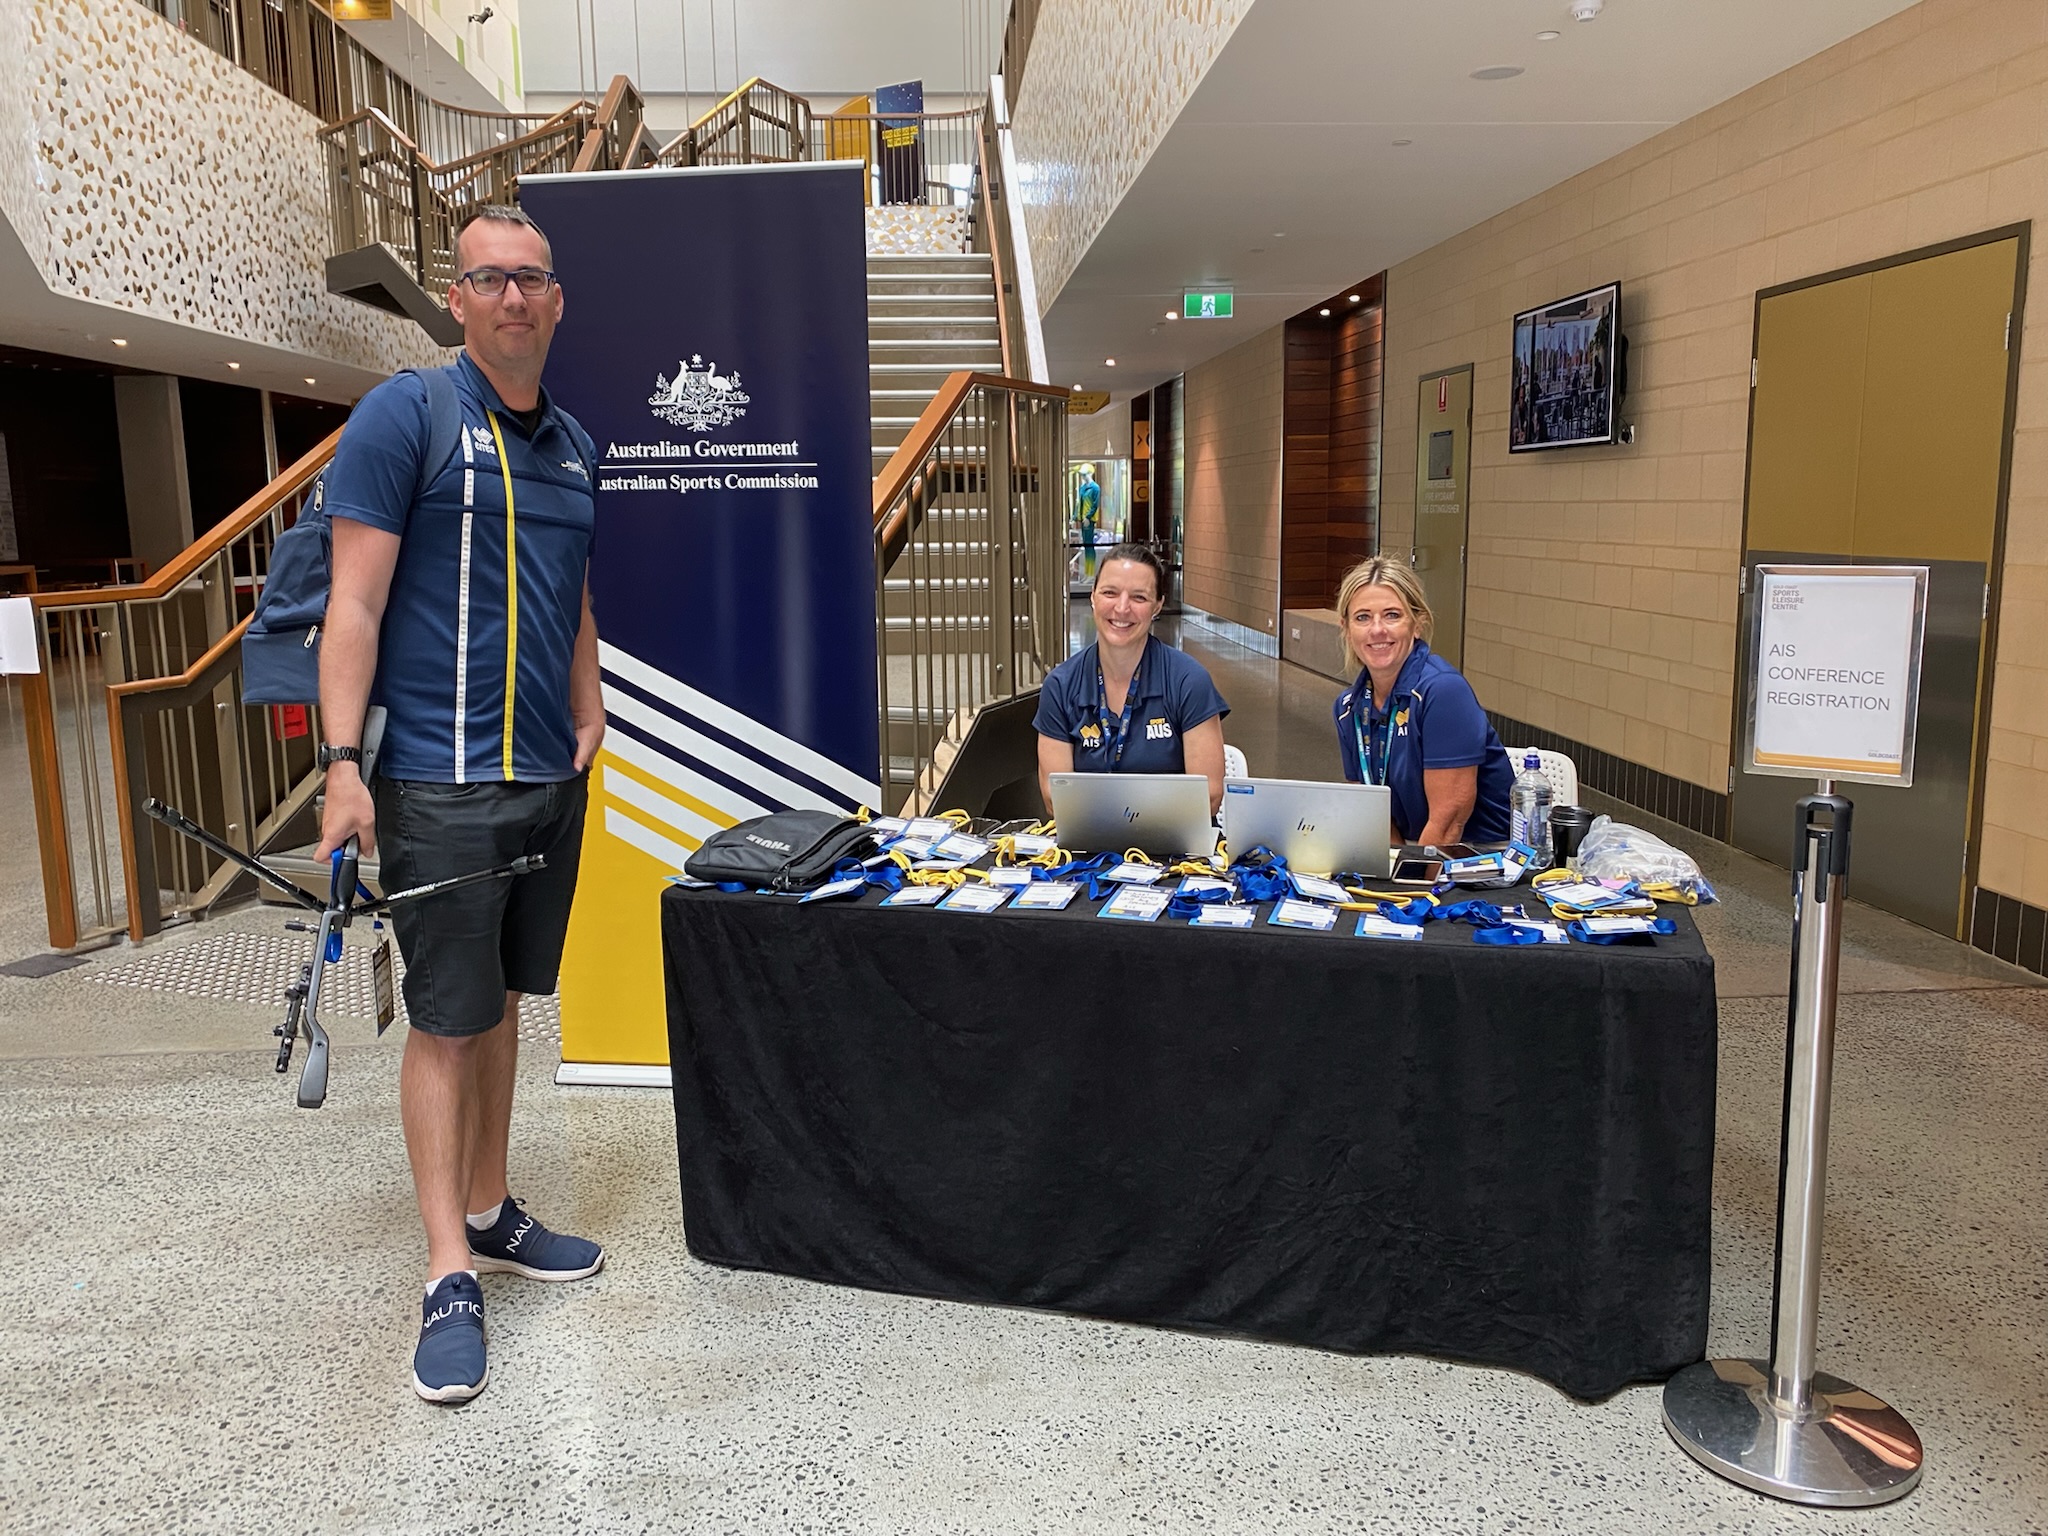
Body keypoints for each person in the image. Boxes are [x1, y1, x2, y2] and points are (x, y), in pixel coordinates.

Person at [315, 203, 605, 1405]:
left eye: (532, 279)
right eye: (491, 280)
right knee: (443, 1019)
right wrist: (342, 764)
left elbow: (573, 598)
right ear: (458, 299)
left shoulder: (576, 443)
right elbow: (355, 606)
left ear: (556, 299)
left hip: (545, 779)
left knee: (499, 1010)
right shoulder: (408, 416)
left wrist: (589, 712)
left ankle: (489, 1209)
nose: (514, 298)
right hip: (436, 781)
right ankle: (446, 1272)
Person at [1330, 556, 1513, 846]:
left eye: (1392, 615)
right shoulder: (1349, 708)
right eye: (1363, 617)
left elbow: (1448, 822)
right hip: (1413, 854)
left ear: (1417, 624)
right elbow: (1372, 813)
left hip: (1476, 859)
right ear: (1347, 629)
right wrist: (1389, 876)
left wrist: (1411, 882)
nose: (1377, 630)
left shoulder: (1443, 692)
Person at [1035, 543, 1229, 815]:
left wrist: (1132, 823)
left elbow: (1208, 796)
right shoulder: (1060, 686)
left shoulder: (1189, 681)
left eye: (1139, 598)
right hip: (1089, 847)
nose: (1122, 608)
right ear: (1093, 597)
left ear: (1158, 606)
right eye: (1109, 593)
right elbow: (1056, 799)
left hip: (1173, 847)